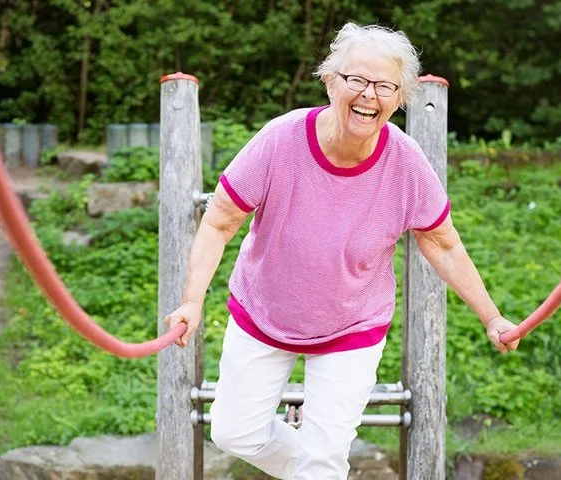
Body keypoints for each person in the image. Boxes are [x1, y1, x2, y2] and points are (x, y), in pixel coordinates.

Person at [163, 21, 521, 479]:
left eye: (385, 86)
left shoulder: (406, 163)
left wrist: (492, 317)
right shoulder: (281, 139)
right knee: (235, 435)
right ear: (331, 81)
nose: (369, 94)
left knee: (325, 456)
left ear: (399, 97)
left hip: (352, 324)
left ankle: (323, 466)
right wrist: (192, 301)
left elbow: (442, 243)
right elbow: (218, 221)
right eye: (357, 79)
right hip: (264, 310)